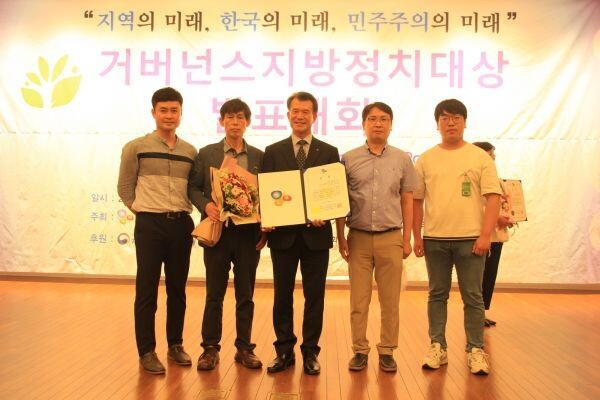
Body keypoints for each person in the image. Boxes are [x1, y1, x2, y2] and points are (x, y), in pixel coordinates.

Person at [413, 99, 501, 376]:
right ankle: (437, 346)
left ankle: (475, 349)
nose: (450, 123)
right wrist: (417, 236)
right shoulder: (426, 159)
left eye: (456, 118)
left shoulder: (479, 157)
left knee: (473, 296)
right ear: (437, 124)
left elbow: (493, 197)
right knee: (436, 294)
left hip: (471, 240)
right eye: (444, 118)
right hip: (435, 239)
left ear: (465, 122)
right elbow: (416, 200)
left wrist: (486, 235)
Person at [117, 87, 197, 374]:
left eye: (174, 110)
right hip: (150, 225)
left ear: (181, 113)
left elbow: (193, 188)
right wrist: (144, 211)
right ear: (154, 113)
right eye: (163, 110)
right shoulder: (136, 147)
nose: (169, 115)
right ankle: (147, 351)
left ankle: (175, 345)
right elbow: (125, 187)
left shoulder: (190, 152)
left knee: (178, 290)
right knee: (146, 290)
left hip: (181, 225)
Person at [262, 91, 340, 375]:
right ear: (288, 115)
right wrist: (267, 217)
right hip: (282, 236)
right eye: (295, 111)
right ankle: (283, 351)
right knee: (282, 296)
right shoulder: (273, 151)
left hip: (316, 237)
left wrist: (326, 213)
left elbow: (333, 193)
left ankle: (310, 351)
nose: (300, 116)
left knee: (314, 297)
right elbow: (265, 191)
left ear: (315, 116)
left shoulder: (329, 151)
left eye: (306, 112)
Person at [336, 102, 417, 373]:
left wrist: (407, 238)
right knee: (359, 300)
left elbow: (407, 199)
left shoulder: (402, 159)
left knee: (390, 300)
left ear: (391, 125)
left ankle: (387, 351)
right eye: (372, 119)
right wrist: (341, 236)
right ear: (363, 124)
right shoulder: (348, 159)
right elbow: (340, 201)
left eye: (384, 119)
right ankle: (359, 350)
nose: (378, 123)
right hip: (357, 237)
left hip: (391, 236)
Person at [188, 98, 266, 371]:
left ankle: (244, 348)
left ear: (248, 122)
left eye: (240, 117)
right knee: (214, 294)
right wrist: (206, 205)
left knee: (246, 294)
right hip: (217, 231)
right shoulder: (207, 153)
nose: (235, 122)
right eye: (230, 117)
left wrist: (265, 227)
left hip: (248, 235)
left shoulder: (259, 157)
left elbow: (267, 195)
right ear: (221, 121)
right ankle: (210, 349)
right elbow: (193, 188)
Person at [472, 141, 513, 327]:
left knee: (489, 275)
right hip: (481, 235)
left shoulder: (495, 178)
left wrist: (509, 215)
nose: (493, 158)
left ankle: (481, 312)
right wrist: (497, 218)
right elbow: (477, 206)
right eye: (490, 155)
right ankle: (475, 313)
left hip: (497, 236)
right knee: (479, 276)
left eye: (493, 155)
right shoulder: (474, 178)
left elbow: (502, 203)